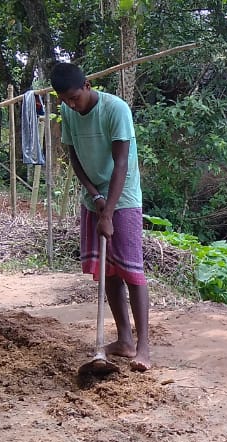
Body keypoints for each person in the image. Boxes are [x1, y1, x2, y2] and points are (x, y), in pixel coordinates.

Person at [50, 62, 152, 371]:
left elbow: (122, 162)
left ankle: (143, 346)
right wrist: (95, 195)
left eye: (74, 97)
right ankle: (124, 340)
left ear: (87, 85)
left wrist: (109, 210)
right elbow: (74, 158)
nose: (70, 104)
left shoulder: (115, 110)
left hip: (124, 196)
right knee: (107, 271)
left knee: (131, 270)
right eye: (64, 99)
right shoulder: (68, 112)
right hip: (94, 196)